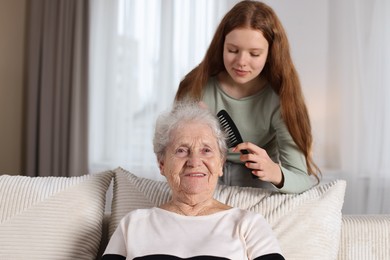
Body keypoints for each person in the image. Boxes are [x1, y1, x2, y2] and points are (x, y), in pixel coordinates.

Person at [102, 102, 285, 260]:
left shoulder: (248, 224)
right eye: (182, 150)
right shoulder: (134, 224)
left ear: (220, 163)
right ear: (162, 164)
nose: (195, 162)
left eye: (206, 150)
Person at [175, 0, 321, 193]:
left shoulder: (280, 100)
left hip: (256, 185)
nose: (241, 62)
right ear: (221, 46)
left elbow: (302, 180)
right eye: (233, 50)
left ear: (270, 54)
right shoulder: (195, 87)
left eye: (254, 53)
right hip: (203, 181)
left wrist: (273, 171)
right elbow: (174, 155)